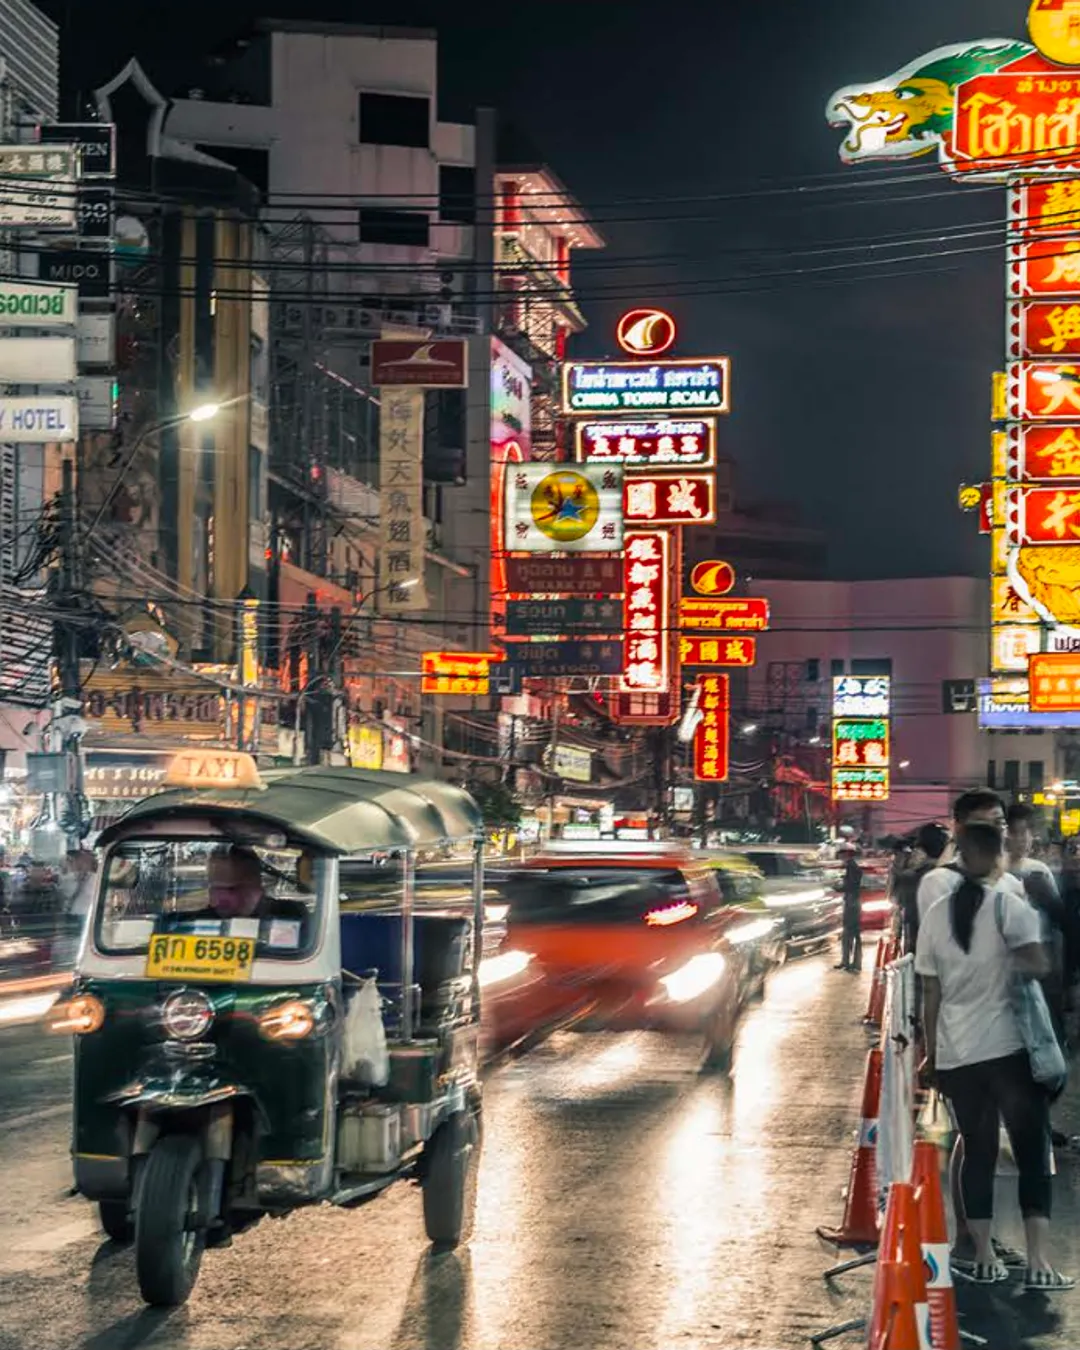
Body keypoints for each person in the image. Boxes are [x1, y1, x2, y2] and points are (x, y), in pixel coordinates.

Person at [917, 819, 1071, 1289]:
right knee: (1030, 1150)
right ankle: (1040, 1260)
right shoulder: (1012, 906)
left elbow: (930, 994)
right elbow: (1042, 966)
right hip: (1011, 1053)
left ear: (959, 856)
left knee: (978, 1151)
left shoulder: (937, 914)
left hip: (958, 1054)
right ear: (999, 856)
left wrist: (931, 1054)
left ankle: (983, 1254)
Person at [1006, 804, 1067, 1047]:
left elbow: (1059, 916)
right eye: (1015, 832)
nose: (1021, 839)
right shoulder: (996, 871)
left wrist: (1047, 898)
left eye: (1026, 832)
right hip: (1010, 954)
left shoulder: (1039, 870)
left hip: (1043, 948)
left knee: (1048, 1012)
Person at [894, 823, 950, 956]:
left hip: (921, 950)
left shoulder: (914, 876)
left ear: (921, 848)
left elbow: (904, 906)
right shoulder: (955, 875)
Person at [835, 846, 864, 973]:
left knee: (850, 933)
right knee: (850, 933)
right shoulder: (852, 867)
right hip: (852, 902)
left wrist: (839, 888)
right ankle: (848, 962)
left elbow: (851, 885)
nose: (840, 859)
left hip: (852, 903)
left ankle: (852, 962)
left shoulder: (852, 867)